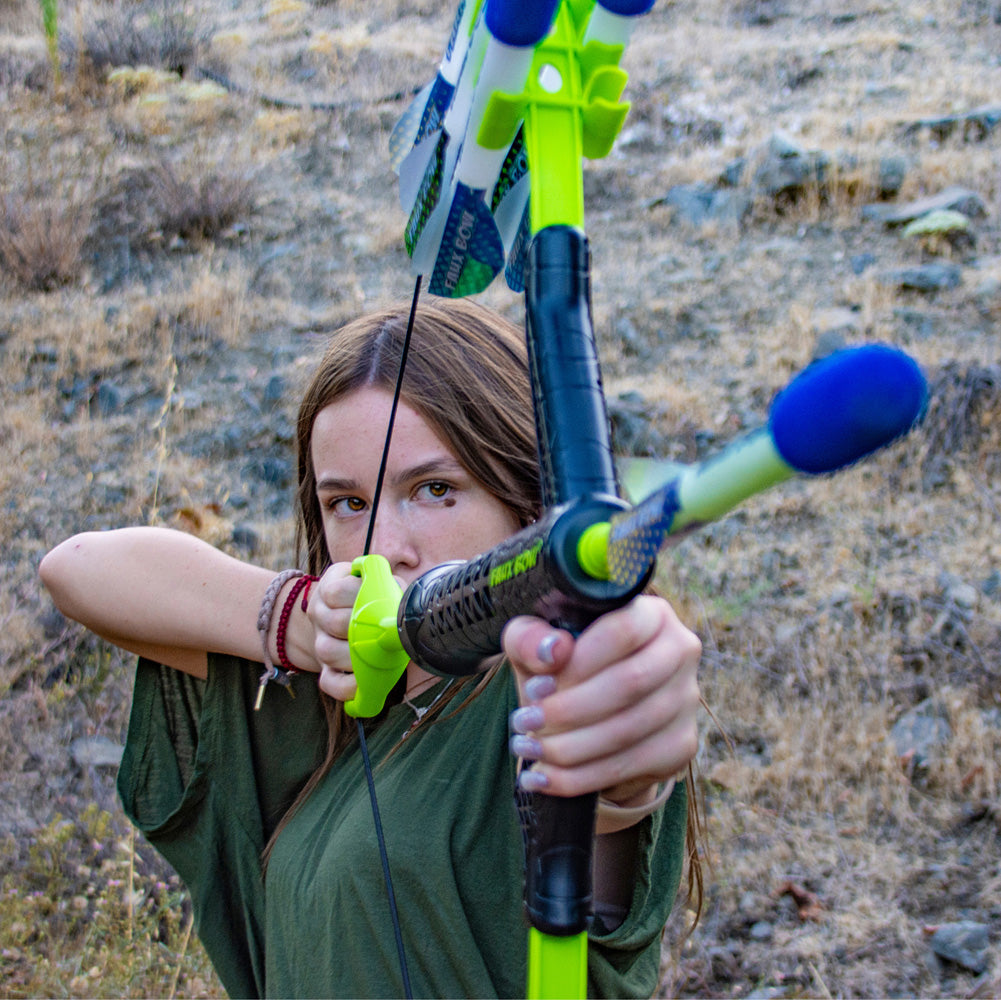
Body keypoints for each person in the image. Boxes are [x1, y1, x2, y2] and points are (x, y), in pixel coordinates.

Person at [40, 297, 702, 999]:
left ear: (527, 502)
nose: (385, 547)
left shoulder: (543, 684)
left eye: (436, 490)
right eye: (347, 504)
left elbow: (612, 760)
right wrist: (298, 620)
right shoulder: (327, 700)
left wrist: (628, 753)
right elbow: (77, 569)